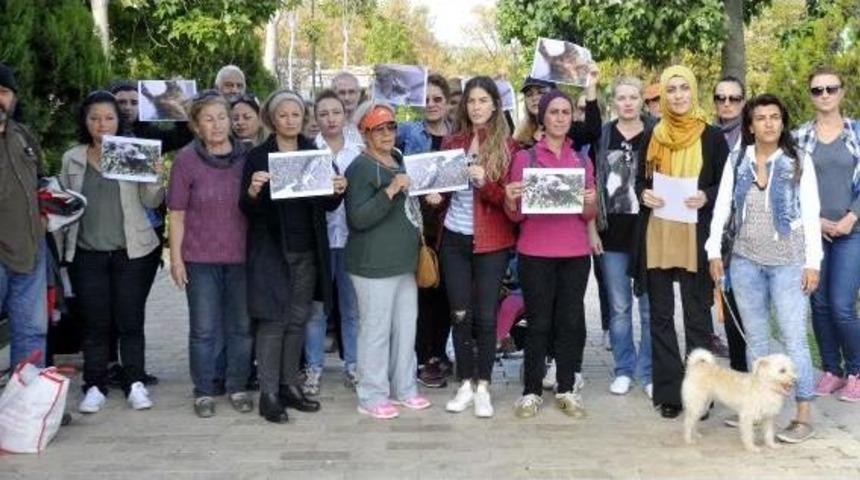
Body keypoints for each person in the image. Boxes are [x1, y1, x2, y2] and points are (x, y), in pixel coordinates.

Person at [707, 93, 821, 443]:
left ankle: (803, 413)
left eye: (775, 117)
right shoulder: (737, 159)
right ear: (751, 124)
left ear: (782, 122)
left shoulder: (799, 160)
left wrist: (812, 262)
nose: (768, 123)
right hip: (744, 261)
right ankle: (756, 409)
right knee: (756, 340)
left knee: (792, 337)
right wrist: (713, 251)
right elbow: (722, 207)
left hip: (788, 262)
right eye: (761, 118)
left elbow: (811, 214)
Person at [240, 89, 346, 423]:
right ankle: (269, 393)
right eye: (283, 115)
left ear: (304, 118)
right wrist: (254, 190)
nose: (289, 120)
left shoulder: (314, 151)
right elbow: (245, 207)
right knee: (273, 321)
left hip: (308, 250)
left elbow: (328, 203)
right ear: (272, 119)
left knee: (298, 319)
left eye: (296, 114)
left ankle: (289, 385)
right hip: (273, 251)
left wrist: (338, 189)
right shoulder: (258, 156)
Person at [57, 90, 164, 413]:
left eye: (108, 117)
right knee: (95, 322)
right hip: (87, 253)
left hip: (130, 251)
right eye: (94, 118)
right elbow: (63, 206)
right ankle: (94, 384)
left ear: (119, 121)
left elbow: (152, 202)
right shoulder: (72, 158)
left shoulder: (131, 152)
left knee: (130, 319)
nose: (101, 124)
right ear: (85, 121)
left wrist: (154, 176)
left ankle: (135, 382)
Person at [632, 66, 728, 419]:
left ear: (693, 91)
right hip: (658, 231)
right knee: (659, 316)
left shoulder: (712, 136)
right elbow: (637, 181)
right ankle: (671, 393)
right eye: (671, 89)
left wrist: (706, 195)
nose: (677, 96)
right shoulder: (651, 135)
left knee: (696, 316)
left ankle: (701, 394)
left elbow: (725, 186)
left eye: (683, 88)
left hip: (694, 233)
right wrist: (643, 193)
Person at [504, 90, 597, 418]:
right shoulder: (524, 159)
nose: (559, 117)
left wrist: (590, 200)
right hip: (535, 252)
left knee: (569, 322)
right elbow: (515, 217)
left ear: (572, 118)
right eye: (553, 112)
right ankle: (530, 391)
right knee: (539, 322)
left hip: (574, 253)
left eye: (565, 112)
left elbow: (588, 215)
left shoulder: (581, 160)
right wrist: (511, 199)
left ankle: (566, 388)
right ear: (542, 117)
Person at [432, 76, 516, 418]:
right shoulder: (452, 142)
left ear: (495, 105)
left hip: (492, 241)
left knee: (485, 316)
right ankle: (465, 382)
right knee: (460, 313)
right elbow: (439, 193)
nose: (477, 106)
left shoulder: (508, 146)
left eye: (483, 100)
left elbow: (510, 202)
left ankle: (484, 386)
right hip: (454, 237)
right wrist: (436, 199)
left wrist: (486, 184)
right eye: (471, 101)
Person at [167, 91, 254, 418]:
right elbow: (177, 213)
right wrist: (176, 258)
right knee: (204, 329)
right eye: (208, 119)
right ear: (195, 125)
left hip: (242, 257)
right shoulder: (186, 160)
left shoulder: (247, 156)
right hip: (200, 258)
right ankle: (204, 390)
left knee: (242, 328)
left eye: (222, 117)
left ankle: (238, 386)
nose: (217, 125)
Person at [344, 101, 431, 419]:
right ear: (364, 133)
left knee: (406, 328)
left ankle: (405, 388)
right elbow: (358, 218)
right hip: (372, 265)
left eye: (391, 126)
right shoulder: (359, 167)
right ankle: (371, 395)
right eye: (378, 128)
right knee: (375, 330)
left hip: (404, 262)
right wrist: (391, 190)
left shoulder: (398, 158)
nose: (386, 134)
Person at [794, 66, 860, 403]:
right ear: (810, 95)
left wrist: (853, 215)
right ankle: (832, 370)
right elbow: (789, 184)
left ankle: (856, 372)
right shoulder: (799, 137)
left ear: (842, 92)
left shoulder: (857, 133)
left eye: (830, 89)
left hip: (852, 231)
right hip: (814, 232)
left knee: (842, 305)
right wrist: (813, 220)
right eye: (817, 90)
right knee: (818, 304)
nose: (824, 95)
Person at [592, 76, 654, 398]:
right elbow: (590, 186)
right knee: (619, 308)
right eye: (621, 97)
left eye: (633, 97)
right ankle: (624, 369)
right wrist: (591, 229)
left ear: (642, 100)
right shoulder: (602, 136)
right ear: (613, 102)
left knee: (649, 306)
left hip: (648, 232)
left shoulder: (657, 132)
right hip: (612, 233)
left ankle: (647, 370)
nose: (627, 103)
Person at [394, 73, 454, 388]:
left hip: (451, 224)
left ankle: (439, 351)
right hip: (417, 224)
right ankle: (422, 357)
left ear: (447, 103)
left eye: (437, 99)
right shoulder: (407, 133)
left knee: (445, 293)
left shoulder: (459, 134)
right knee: (421, 291)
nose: (431, 105)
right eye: (426, 100)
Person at [302, 90, 363, 395]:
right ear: (315, 117)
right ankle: (313, 368)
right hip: (319, 241)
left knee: (351, 307)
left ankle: (353, 365)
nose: (330, 119)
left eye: (335, 112)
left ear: (345, 115)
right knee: (317, 309)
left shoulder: (359, 150)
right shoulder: (307, 152)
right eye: (323, 113)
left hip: (352, 239)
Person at [0, 63, 48, 369]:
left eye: (3, 92)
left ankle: (28, 406)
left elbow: (41, 180)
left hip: (30, 250)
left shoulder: (24, 136)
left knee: (32, 332)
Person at [712, 75, 748, 371]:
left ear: (743, 102)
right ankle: (737, 373)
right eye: (720, 98)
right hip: (713, 235)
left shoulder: (752, 137)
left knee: (745, 309)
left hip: (746, 237)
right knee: (727, 307)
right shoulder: (708, 136)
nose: (727, 103)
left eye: (733, 98)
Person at [512, 77, 555, 149]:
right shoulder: (520, 137)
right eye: (529, 94)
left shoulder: (570, 132)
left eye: (541, 92)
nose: (534, 98)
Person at [331, 71, 364, 145]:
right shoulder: (325, 125)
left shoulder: (369, 122)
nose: (347, 98)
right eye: (342, 93)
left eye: (351, 92)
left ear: (359, 94)